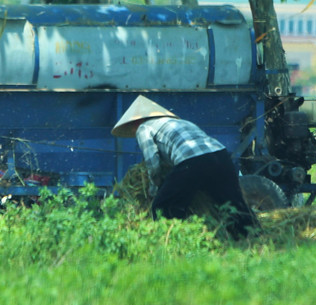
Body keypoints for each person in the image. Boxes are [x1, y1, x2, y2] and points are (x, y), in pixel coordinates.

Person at [111, 95, 259, 239]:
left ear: (136, 121)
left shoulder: (143, 128)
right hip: (220, 156)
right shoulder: (179, 122)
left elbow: (152, 161)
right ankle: (256, 237)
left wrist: (154, 189)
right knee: (232, 202)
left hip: (192, 161)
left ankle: (174, 242)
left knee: (162, 205)